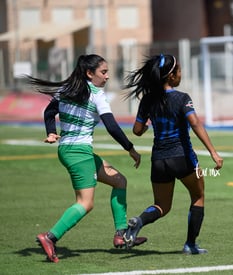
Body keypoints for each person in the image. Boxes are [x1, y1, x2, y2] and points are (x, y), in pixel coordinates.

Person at [26, 54, 146, 263]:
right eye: (103, 72)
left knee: (119, 181)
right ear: (90, 73)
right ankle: (50, 237)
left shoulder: (66, 89)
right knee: (85, 203)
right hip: (79, 153)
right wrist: (130, 148)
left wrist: (51, 131)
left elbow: (49, 112)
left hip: (71, 150)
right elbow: (111, 126)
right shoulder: (96, 94)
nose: (107, 76)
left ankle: (122, 234)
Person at [122, 54, 223, 254]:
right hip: (182, 157)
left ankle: (140, 221)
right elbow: (195, 123)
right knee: (198, 196)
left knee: (162, 205)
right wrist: (213, 152)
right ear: (171, 75)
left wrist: (146, 126)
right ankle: (190, 245)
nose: (181, 74)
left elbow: (137, 130)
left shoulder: (148, 100)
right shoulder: (182, 98)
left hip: (159, 160)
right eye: (179, 71)